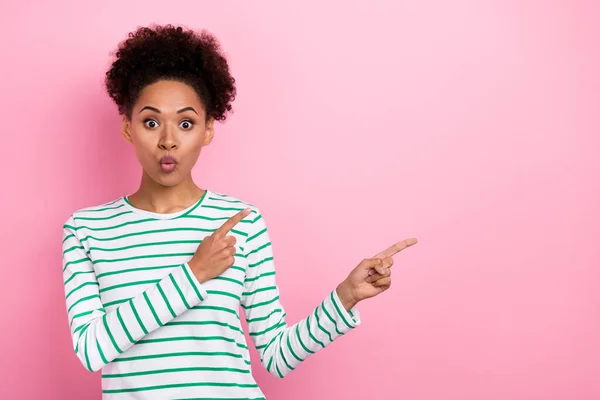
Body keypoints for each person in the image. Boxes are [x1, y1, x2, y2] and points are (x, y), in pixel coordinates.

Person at [61, 24, 418, 399]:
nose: (168, 140)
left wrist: (346, 296)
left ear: (208, 130)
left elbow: (277, 355)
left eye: (186, 123)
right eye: (151, 122)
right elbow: (92, 349)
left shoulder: (242, 222)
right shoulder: (87, 231)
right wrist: (194, 274)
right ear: (128, 128)